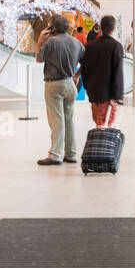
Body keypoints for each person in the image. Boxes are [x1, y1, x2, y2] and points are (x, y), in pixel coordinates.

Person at [35, 14, 84, 166]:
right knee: (69, 119)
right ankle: (71, 154)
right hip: (70, 84)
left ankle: (55, 155)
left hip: (54, 85)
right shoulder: (76, 42)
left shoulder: (51, 42)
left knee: (56, 120)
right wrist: (76, 75)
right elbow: (86, 61)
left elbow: (39, 58)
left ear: (52, 28)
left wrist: (41, 39)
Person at [79, 15, 125, 127]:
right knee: (104, 124)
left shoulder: (90, 46)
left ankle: (101, 141)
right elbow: (117, 71)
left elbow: (84, 67)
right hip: (108, 93)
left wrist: (87, 86)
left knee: (98, 121)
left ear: (100, 27)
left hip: (94, 91)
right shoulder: (116, 46)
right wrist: (117, 94)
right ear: (113, 28)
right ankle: (102, 144)